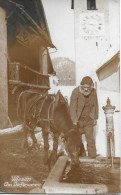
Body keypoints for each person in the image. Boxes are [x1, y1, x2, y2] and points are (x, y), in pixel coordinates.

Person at [70, 76, 98, 158]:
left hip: (89, 120)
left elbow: (95, 105)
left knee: (90, 139)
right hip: (78, 120)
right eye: (84, 87)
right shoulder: (75, 92)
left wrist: (95, 117)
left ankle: (92, 157)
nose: (86, 89)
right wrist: (74, 120)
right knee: (76, 139)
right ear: (81, 86)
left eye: (88, 87)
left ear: (91, 86)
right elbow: (72, 107)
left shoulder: (93, 92)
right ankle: (78, 156)